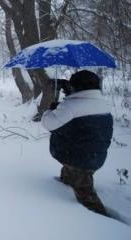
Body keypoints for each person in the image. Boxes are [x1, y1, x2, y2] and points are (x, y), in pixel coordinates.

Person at [41, 70, 113, 216]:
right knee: (70, 176)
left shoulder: (72, 106)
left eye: (71, 84)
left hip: (78, 159)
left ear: (77, 86)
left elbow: (48, 123)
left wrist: (51, 108)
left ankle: (101, 219)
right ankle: (66, 183)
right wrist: (69, 93)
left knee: (87, 197)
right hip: (96, 155)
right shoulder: (102, 103)